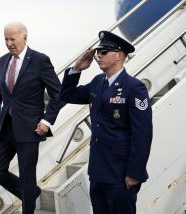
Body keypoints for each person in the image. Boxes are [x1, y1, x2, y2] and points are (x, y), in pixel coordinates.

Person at [60, 31, 153, 214]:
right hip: (98, 170)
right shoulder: (97, 82)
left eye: (104, 51)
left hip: (121, 171)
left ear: (119, 55)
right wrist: (77, 69)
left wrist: (135, 173)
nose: (99, 55)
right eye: (98, 52)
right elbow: (67, 95)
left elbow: (143, 134)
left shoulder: (134, 87)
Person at [0, 22, 62, 214]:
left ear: (24, 37)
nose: (9, 43)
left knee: (27, 176)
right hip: (6, 127)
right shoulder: (2, 61)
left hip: (30, 128)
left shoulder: (40, 60)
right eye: (6, 39)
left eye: (12, 39)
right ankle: (30, 193)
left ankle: (28, 203)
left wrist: (46, 120)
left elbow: (57, 93)